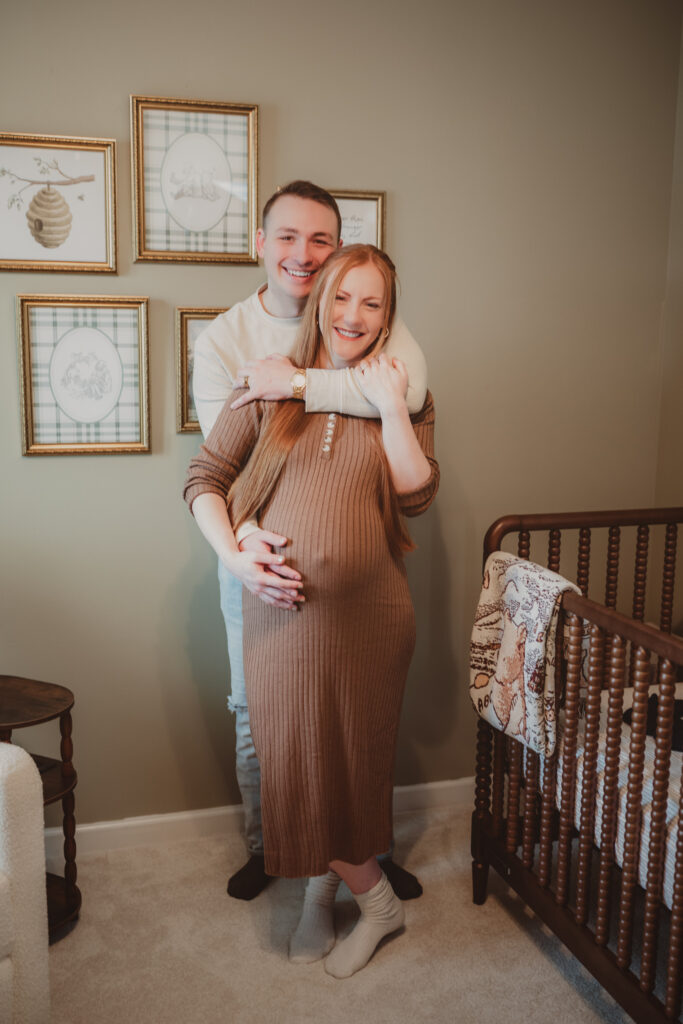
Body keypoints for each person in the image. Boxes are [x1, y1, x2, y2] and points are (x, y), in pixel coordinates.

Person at [184, 244, 438, 977]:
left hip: (373, 619)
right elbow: (205, 477)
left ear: (389, 318)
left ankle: (320, 902)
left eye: (371, 303)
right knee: (296, 766)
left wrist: (390, 406)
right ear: (318, 300)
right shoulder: (267, 386)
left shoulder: (400, 390)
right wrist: (234, 551)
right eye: (340, 297)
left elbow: (417, 492)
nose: (352, 315)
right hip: (281, 617)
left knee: (353, 767)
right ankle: (377, 902)